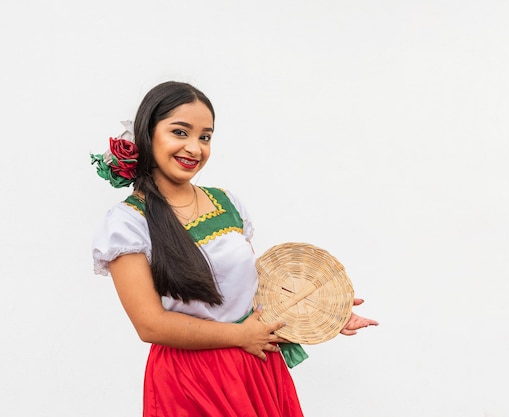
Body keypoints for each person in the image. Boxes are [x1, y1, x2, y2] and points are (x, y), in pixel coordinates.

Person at [91, 81, 378, 417]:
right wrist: (240, 335)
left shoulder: (225, 203)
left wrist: (323, 313)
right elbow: (150, 325)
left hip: (255, 364)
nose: (195, 148)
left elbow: (251, 295)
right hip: (192, 380)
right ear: (147, 134)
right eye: (180, 132)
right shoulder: (127, 224)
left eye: (205, 136)